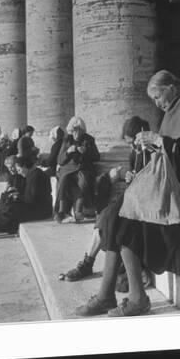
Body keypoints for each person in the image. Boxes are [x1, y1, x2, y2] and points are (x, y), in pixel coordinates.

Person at [76, 70, 180, 317]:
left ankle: (136, 298)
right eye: (154, 99)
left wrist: (158, 141)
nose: (157, 103)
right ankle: (107, 295)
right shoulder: (171, 113)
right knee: (114, 215)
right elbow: (167, 152)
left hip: (176, 194)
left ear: (172, 86)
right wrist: (152, 146)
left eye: (157, 96)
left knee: (125, 222)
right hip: (161, 188)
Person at [62, 116, 149, 281]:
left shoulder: (150, 152)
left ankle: (87, 264)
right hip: (132, 197)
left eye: (133, 142)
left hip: (143, 203)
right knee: (105, 217)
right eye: (129, 144)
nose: (132, 147)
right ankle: (87, 263)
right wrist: (126, 175)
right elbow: (132, 172)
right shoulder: (136, 153)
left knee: (109, 218)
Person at [0, 155, 52, 239]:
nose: (18, 172)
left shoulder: (36, 176)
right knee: (6, 202)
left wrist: (17, 195)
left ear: (25, 167)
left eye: (19, 169)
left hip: (41, 211)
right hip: (36, 208)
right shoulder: (33, 174)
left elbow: (31, 199)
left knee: (9, 211)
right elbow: (29, 197)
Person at [54, 116, 100, 223]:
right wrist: (68, 152)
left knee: (83, 181)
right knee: (64, 180)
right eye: (74, 130)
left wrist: (87, 152)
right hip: (68, 169)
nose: (77, 133)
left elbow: (97, 157)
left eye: (79, 130)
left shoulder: (89, 139)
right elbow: (60, 160)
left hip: (83, 169)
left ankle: (79, 210)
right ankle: (62, 211)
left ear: (83, 130)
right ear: (71, 130)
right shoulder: (66, 140)